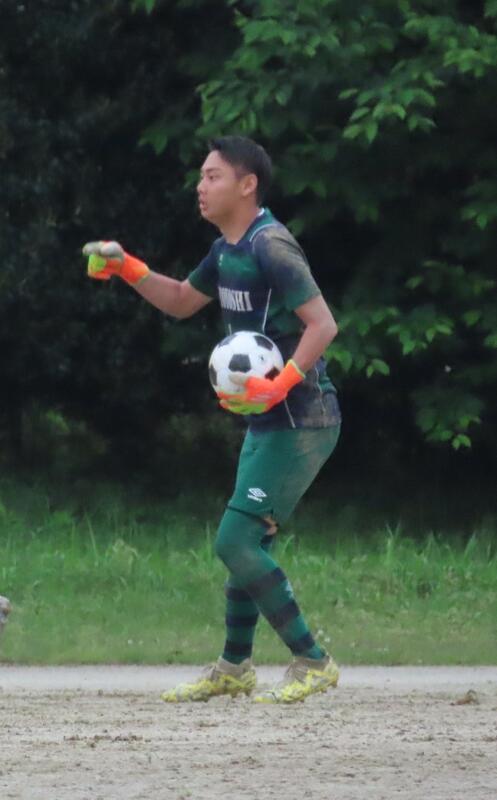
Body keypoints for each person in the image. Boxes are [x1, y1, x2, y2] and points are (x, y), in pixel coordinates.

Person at [83, 136, 341, 704]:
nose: (200, 186)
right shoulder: (226, 250)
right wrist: (127, 267)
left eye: (213, 176)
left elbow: (323, 325)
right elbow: (180, 300)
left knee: (234, 541)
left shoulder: (271, 244)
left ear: (248, 185)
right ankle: (233, 667)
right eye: (201, 176)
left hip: (304, 418)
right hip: (270, 422)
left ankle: (313, 660)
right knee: (247, 541)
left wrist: (280, 383)